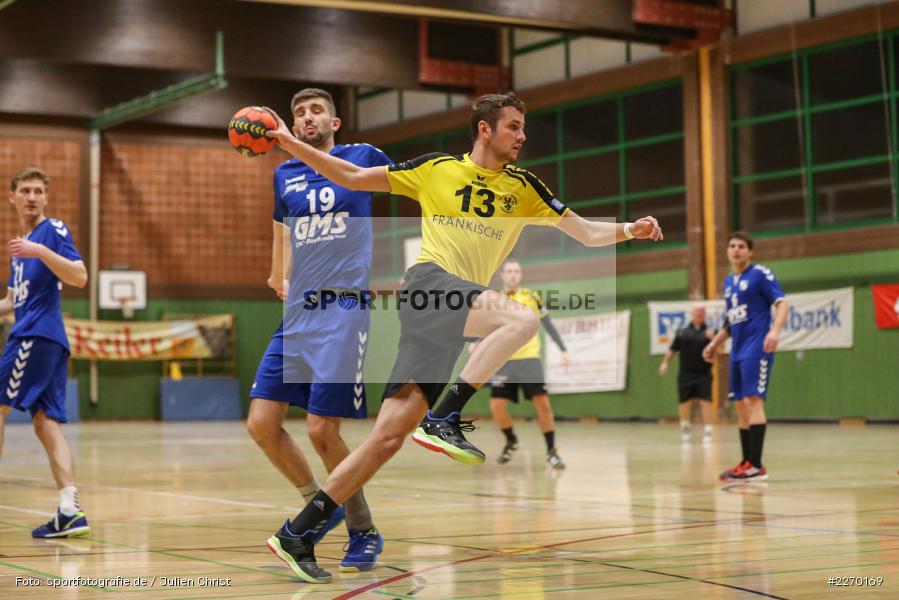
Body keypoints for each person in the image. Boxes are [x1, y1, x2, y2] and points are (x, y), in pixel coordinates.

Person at [262, 91, 663, 583]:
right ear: (485, 129)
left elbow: (584, 233)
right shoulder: (435, 169)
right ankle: (447, 415)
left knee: (386, 440)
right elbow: (349, 175)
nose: (522, 135)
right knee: (521, 320)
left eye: (523, 127)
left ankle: (297, 534)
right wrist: (288, 143)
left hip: (451, 317)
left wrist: (630, 228)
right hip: (430, 285)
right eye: (513, 126)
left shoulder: (525, 187)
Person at [246, 89, 391, 580]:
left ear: (335, 120)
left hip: (343, 308)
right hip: (298, 312)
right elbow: (280, 229)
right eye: (299, 113)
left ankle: (363, 528)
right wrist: (275, 274)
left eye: (315, 111)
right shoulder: (283, 173)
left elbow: (405, 185)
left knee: (320, 429)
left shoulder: (361, 157)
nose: (307, 118)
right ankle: (318, 506)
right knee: (262, 423)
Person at [0, 167, 89, 538]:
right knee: (45, 422)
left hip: (35, 336)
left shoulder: (51, 231)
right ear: (13, 197)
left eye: (39, 190)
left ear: (46, 198)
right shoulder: (20, 251)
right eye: (26, 191)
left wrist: (40, 250)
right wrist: (30, 251)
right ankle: (70, 509)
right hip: (44, 339)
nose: (32, 196)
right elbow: (10, 302)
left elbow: (80, 275)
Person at [703, 232, 788, 482]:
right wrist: (714, 344)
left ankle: (757, 466)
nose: (736, 250)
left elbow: (782, 304)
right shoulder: (728, 283)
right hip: (737, 350)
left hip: (756, 347)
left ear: (750, 252)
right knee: (740, 405)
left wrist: (774, 331)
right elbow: (731, 321)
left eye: (741, 246)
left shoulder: (760, 274)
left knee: (753, 401)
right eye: (732, 246)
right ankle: (746, 462)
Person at [481, 258, 569, 468]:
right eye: (509, 271)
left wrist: (563, 349)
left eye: (516, 272)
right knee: (497, 407)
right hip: (505, 359)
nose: (513, 275)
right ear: (502, 275)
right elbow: (486, 327)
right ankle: (511, 441)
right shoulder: (495, 300)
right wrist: (477, 343)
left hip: (529, 359)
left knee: (543, 405)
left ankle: (551, 451)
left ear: (520, 275)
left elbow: (548, 324)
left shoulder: (532, 297)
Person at [659, 304, 715, 443]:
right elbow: (672, 349)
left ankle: (708, 429)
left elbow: (720, 349)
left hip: (704, 372)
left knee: (706, 400)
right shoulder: (682, 332)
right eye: (697, 312)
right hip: (686, 373)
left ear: (705, 314)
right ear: (692, 313)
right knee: (684, 401)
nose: (699, 314)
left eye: (702, 312)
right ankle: (685, 426)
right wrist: (665, 363)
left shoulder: (711, 332)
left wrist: (713, 338)